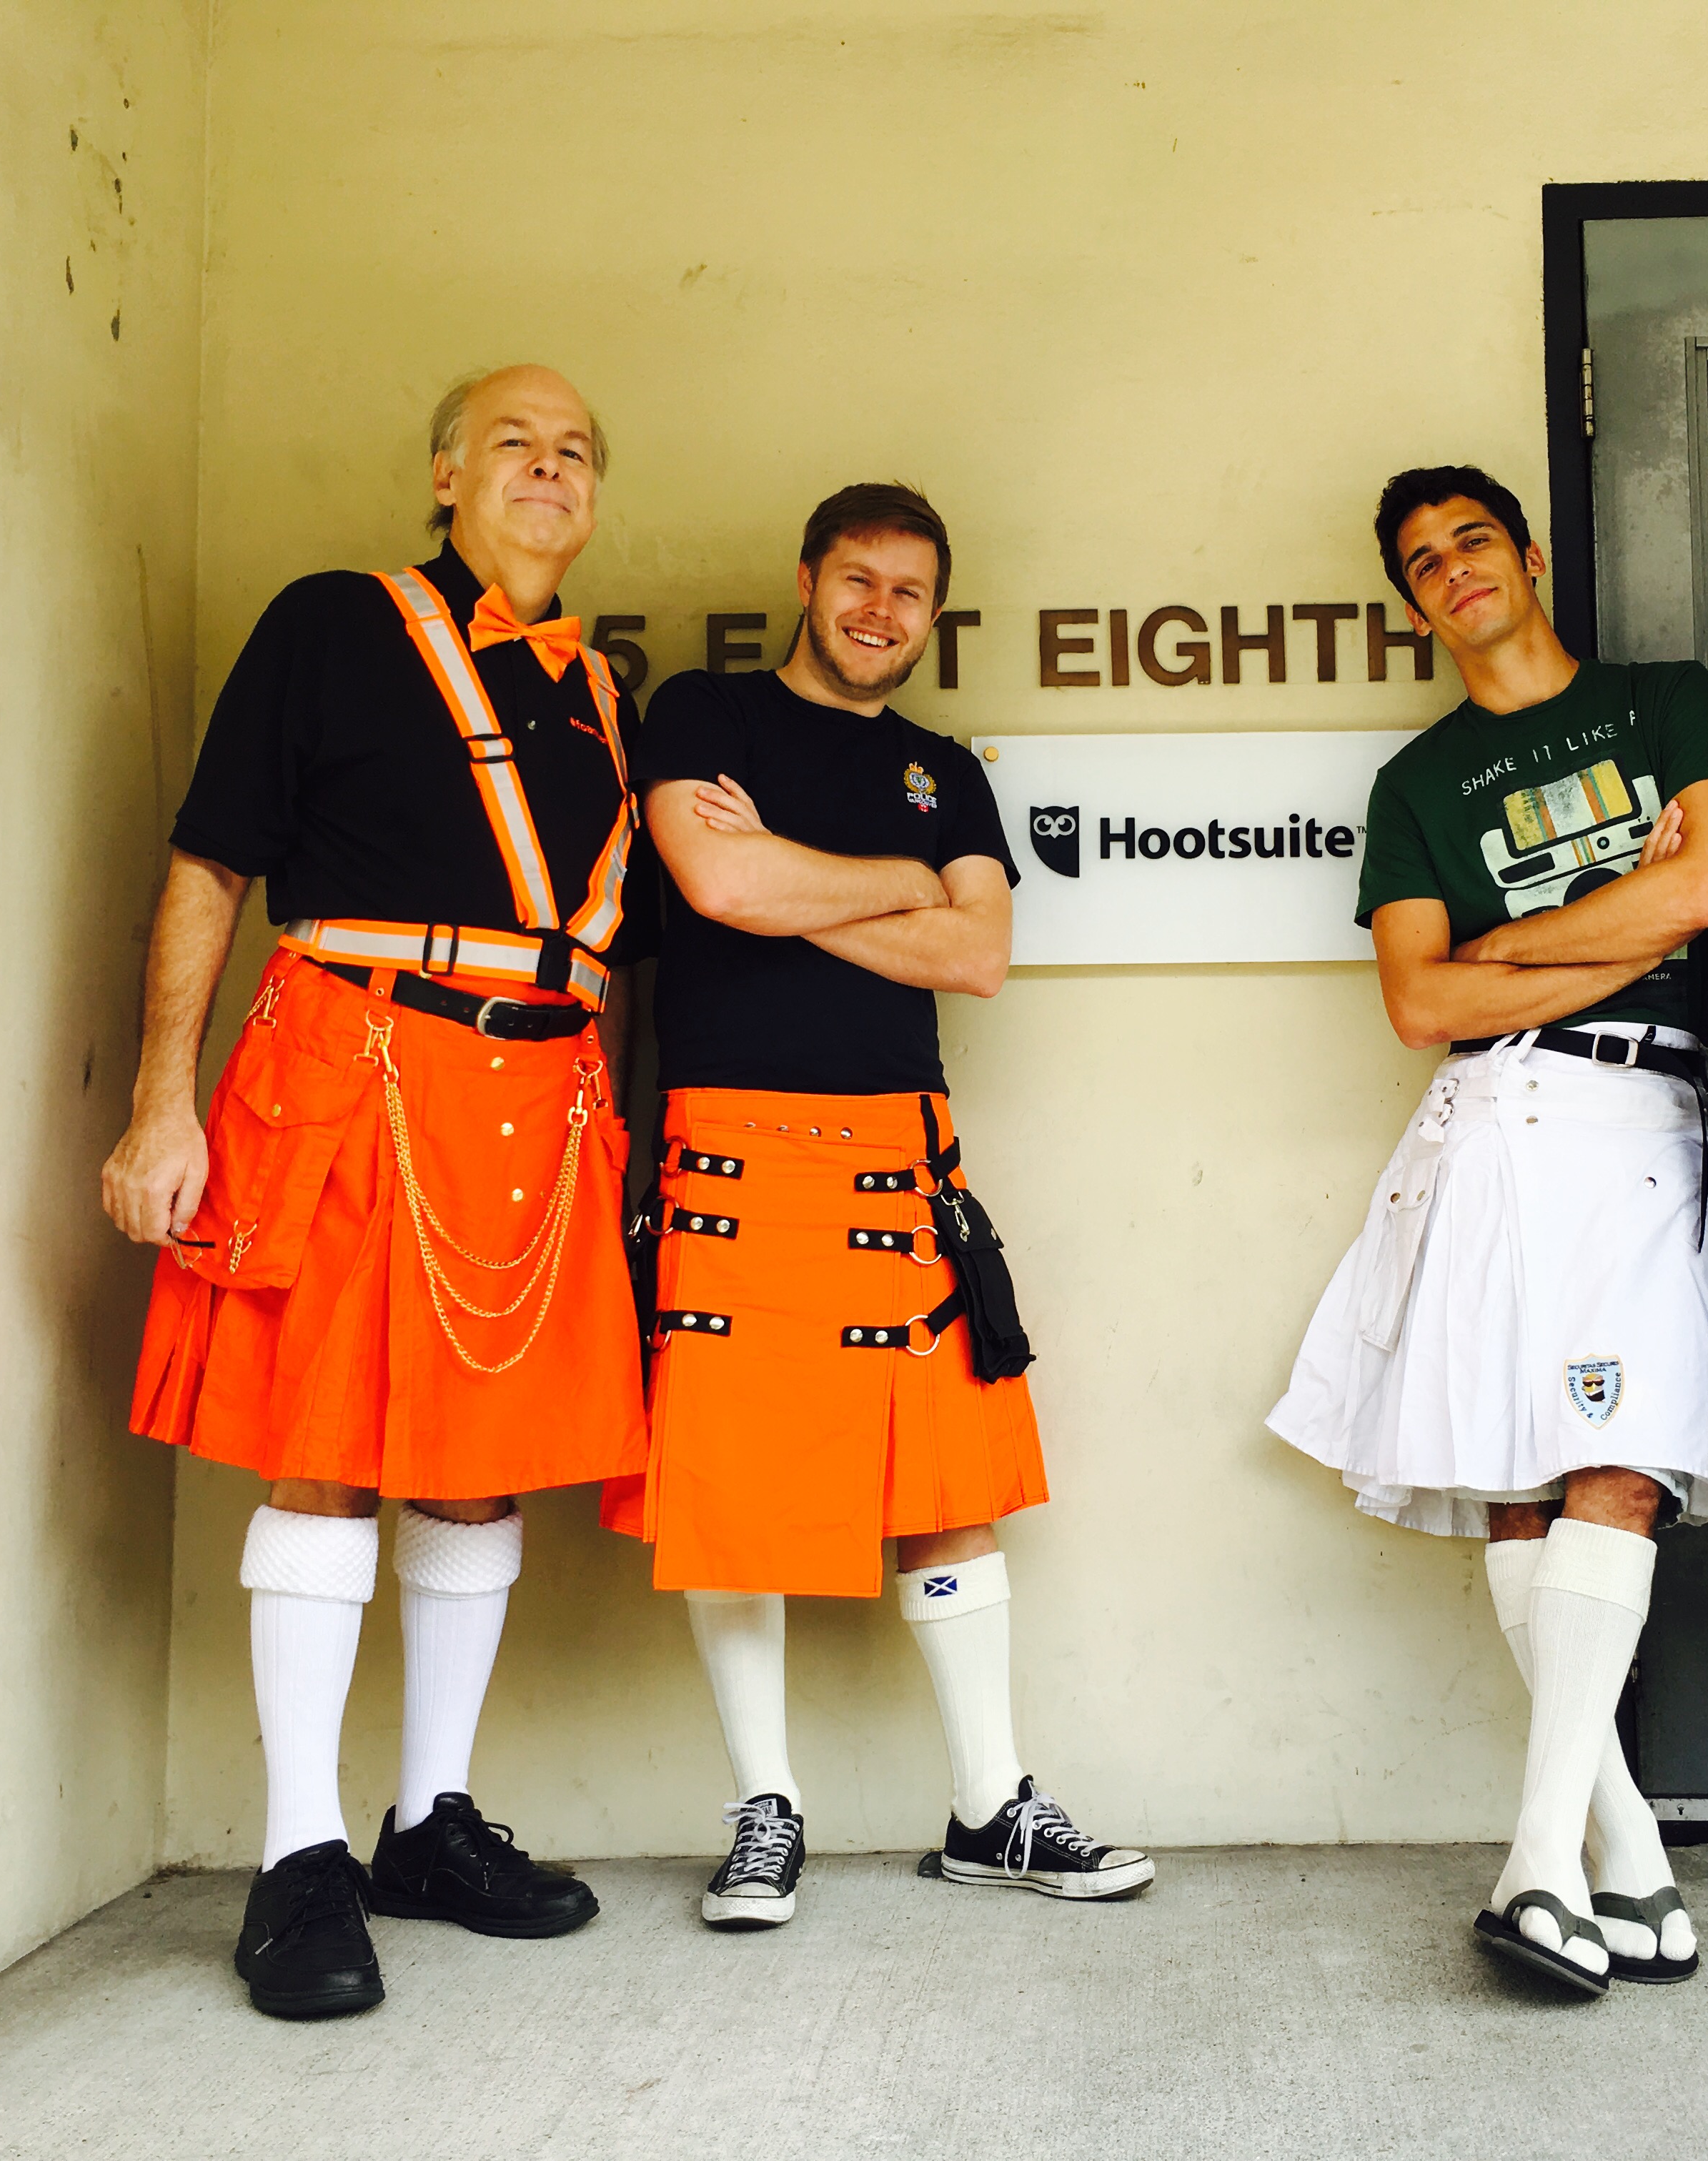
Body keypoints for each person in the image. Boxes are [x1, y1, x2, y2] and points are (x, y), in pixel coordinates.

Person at [101, 365, 645, 2019]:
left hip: (535, 1105)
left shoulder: (598, 692)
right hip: (356, 1069)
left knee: (477, 1476)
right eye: (512, 443)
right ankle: (298, 1859)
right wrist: (160, 1104)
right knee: (325, 1454)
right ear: (443, 477)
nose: (546, 468)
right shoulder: (334, 622)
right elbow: (213, 859)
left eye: (575, 451)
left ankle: (428, 1825)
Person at [601, 482, 1151, 1927]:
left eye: (909, 591)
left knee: (944, 1493)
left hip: (900, 1157)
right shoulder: (708, 715)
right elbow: (716, 884)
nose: (879, 610)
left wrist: (809, 885)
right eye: (857, 578)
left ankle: (991, 1808)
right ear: (806, 578)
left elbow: (978, 958)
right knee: (732, 1496)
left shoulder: (943, 772)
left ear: (933, 613)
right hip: (728, 1154)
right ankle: (764, 1812)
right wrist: (902, 890)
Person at [1268, 465, 1708, 1998]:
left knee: (1620, 1462)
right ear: (1413, 603)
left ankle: (1540, 1860)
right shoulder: (1419, 783)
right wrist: (1621, 921)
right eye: (1422, 562)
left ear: (1530, 555)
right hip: (1495, 1121)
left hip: (1648, 1122)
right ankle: (1632, 1862)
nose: (1452, 571)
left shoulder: (1662, 701)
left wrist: (1512, 946)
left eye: (1472, 541)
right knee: (1512, 1479)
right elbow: (1423, 1003)